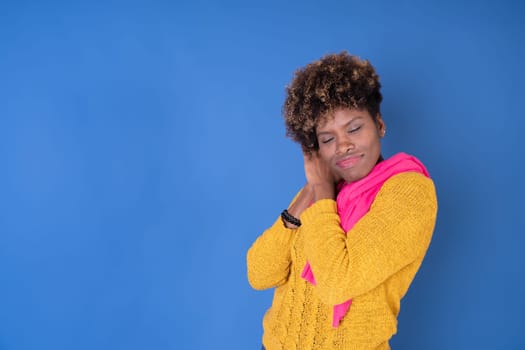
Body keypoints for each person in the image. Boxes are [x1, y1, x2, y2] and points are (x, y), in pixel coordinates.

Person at [246, 52, 438, 350]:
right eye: (327, 139)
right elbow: (260, 274)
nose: (344, 145)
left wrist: (321, 193)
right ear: (314, 149)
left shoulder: (409, 193)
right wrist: (308, 196)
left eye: (354, 128)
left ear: (380, 125)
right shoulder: (320, 193)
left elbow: (336, 283)